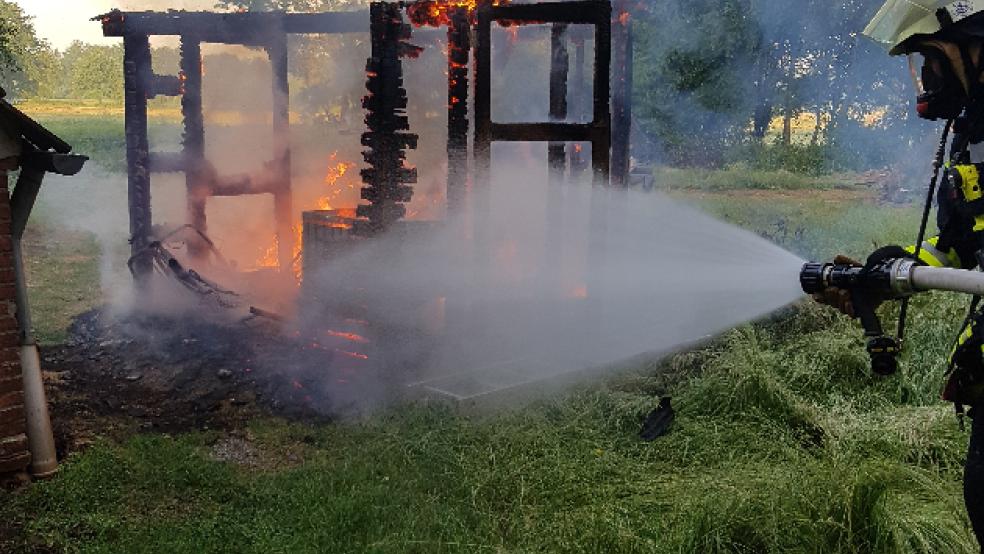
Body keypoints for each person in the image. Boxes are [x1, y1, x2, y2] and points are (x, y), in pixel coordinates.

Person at [819, 1, 984, 547]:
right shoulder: (973, 131)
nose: (926, 77)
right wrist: (893, 271)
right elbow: (966, 245)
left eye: (930, 58)